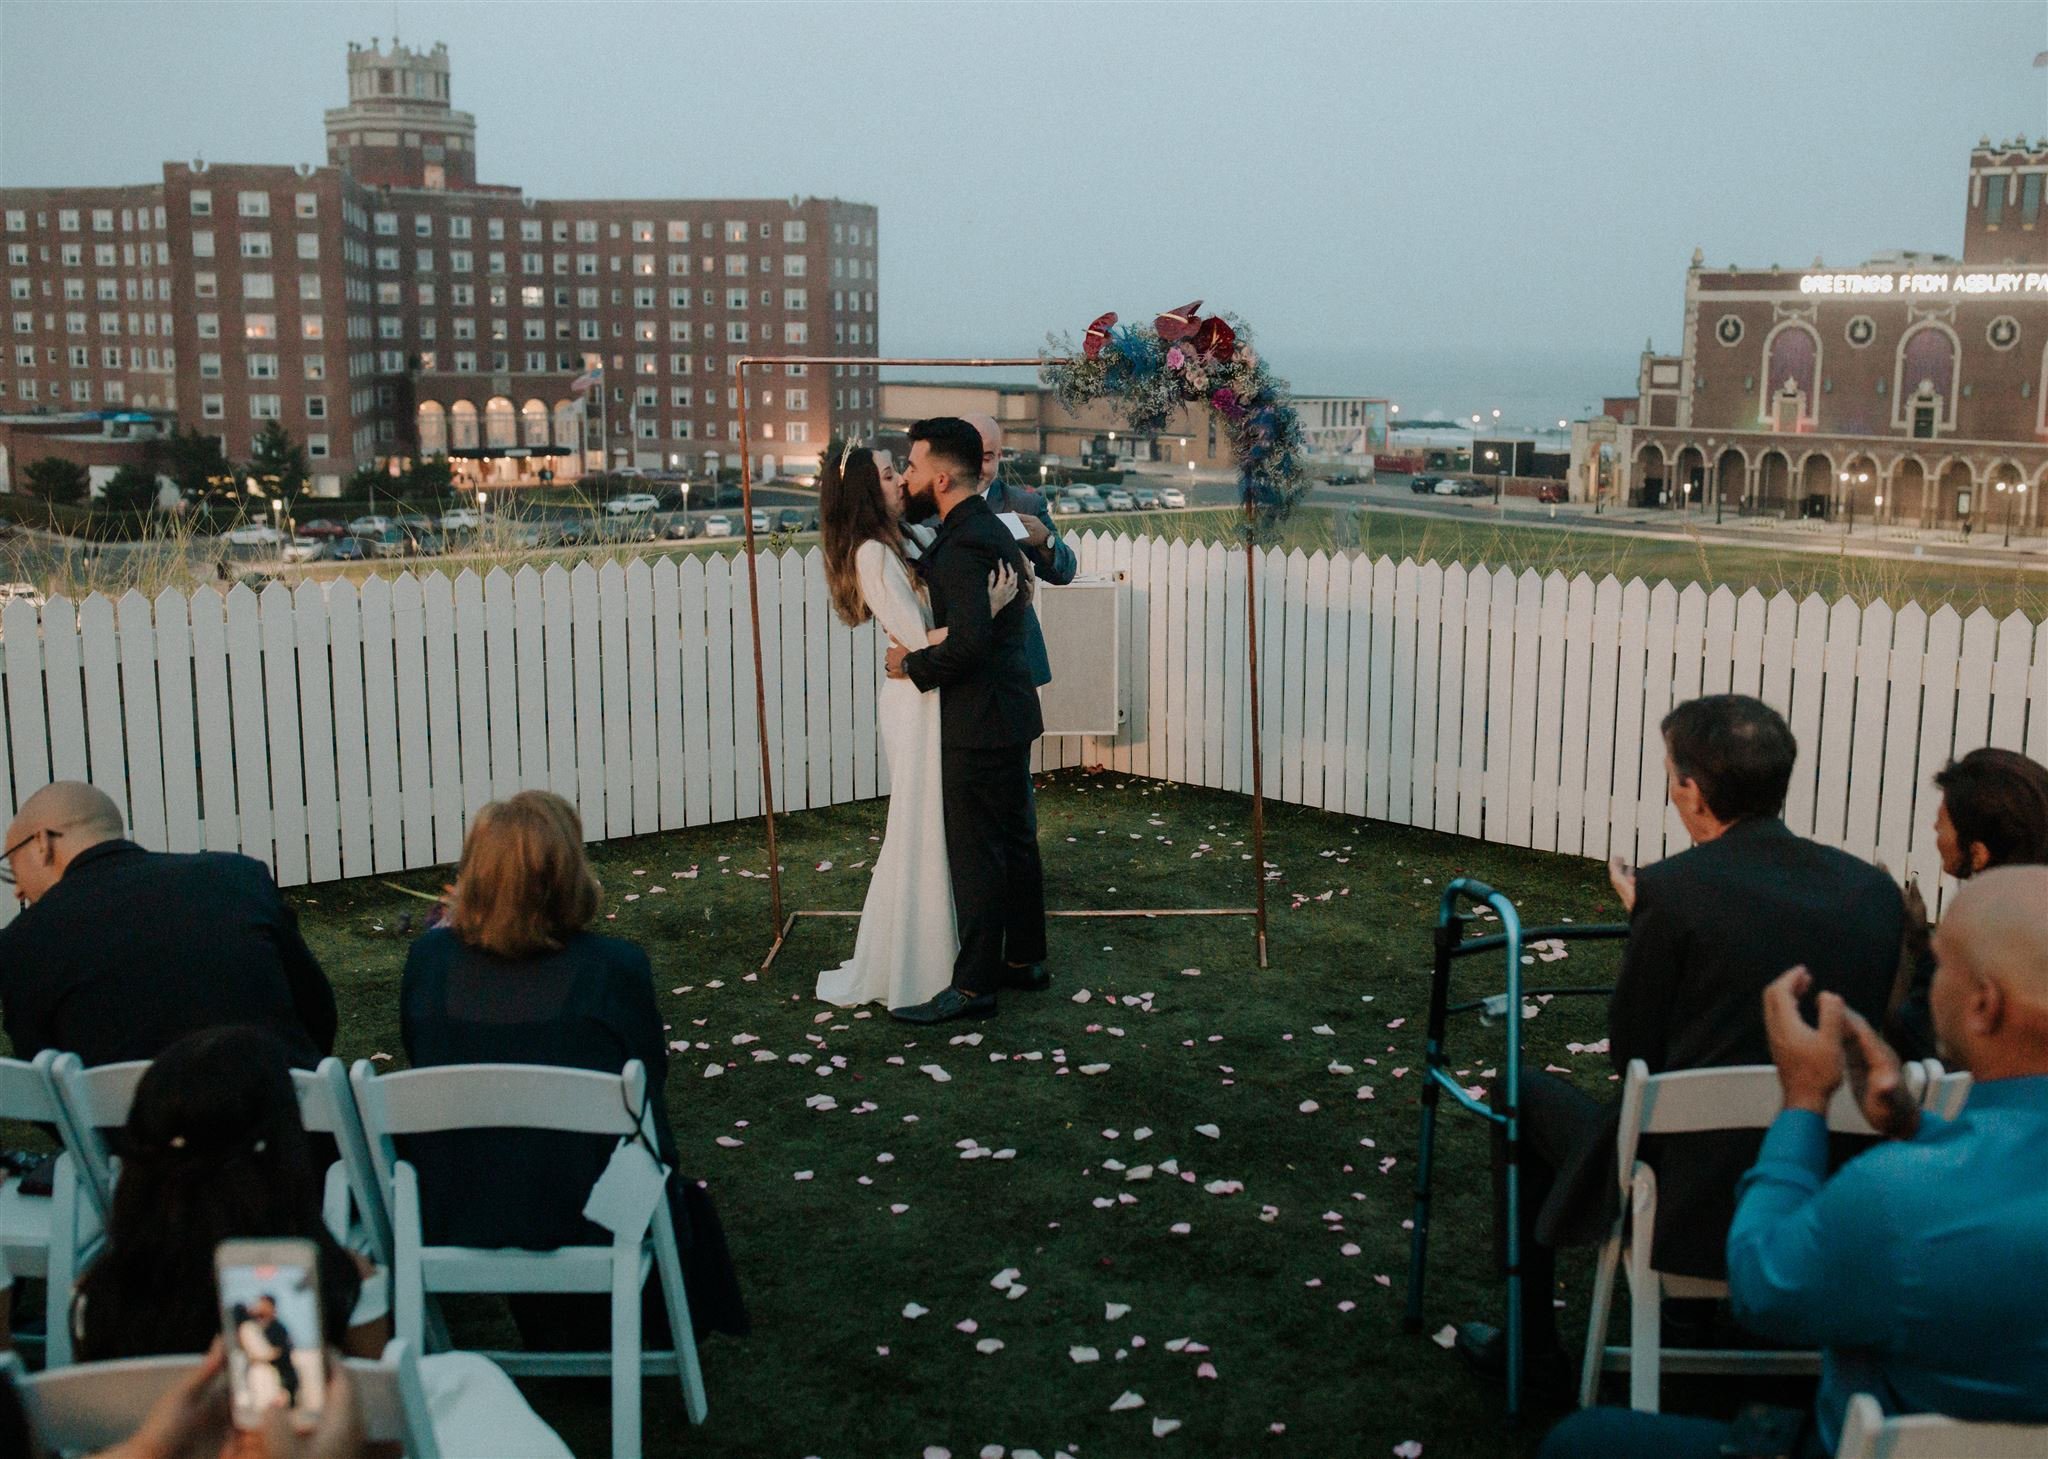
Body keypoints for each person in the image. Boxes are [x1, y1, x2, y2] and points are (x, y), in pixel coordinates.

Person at [1457, 695, 1903, 1387]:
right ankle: (1695, 1322)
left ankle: (1533, 1346)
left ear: (1692, 790)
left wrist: (1655, 921)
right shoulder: (1872, 891)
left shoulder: (1671, 890)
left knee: (1521, 1089)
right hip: (1827, 1181)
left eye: (1671, 773)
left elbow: (1634, 1053)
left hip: (1687, 1205)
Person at [1539, 866, 2048, 1458]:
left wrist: (1803, 1100)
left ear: (1984, 1005)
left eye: (1939, 964)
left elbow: (1760, 1283)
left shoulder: (1896, 1197)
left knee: (1581, 1443)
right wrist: (1912, 1125)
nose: (1930, 984)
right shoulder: (1927, 1173)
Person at [70, 1024, 566, 1458]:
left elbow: (104, 1442)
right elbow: (381, 1440)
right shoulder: (341, 1279)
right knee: (473, 1381)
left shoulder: (96, 1294)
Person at [400, 790, 749, 1349]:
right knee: (654, 1170)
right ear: (568, 871)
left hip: (456, 1205)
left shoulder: (428, 962)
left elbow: (425, 1058)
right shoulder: (613, 969)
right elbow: (647, 1092)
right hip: (591, 1213)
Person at [813, 439, 1018, 1010]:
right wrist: (988, 609)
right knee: (916, 824)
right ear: (865, 492)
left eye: (899, 470)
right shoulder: (872, 556)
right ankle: (914, 957)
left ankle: (943, 948)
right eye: (886, 475)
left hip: (930, 688)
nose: (900, 481)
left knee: (935, 826)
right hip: (913, 700)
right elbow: (913, 637)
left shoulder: (905, 540)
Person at [884, 417, 1049, 1024]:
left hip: (979, 719)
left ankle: (975, 985)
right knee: (1013, 842)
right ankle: (1025, 958)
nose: (909, 474)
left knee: (979, 854)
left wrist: (910, 662)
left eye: (915, 465)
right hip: (1009, 712)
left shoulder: (965, 544)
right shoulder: (982, 531)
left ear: (944, 476)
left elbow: (969, 646)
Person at [0, 781, 335, 1068]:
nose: (17, 888)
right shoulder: (236, 876)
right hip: (292, 1125)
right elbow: (317, 1010)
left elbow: (48, 1082)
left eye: (12, 865)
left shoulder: (22, 941)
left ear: (43, 842)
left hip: (133, 1139)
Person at [1889, 747, 2048, 1059]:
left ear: (1978, 854)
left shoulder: (1980, 937)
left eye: (1942, 823)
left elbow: (1919, 1036)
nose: (1935, 830)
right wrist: (1923, 945)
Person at [967, 412, 1077, 687]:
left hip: (1015, 659)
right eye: (971, 455)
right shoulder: (931, 508)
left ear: (1000, 456)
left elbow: (1065, 572)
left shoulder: (1025, 504)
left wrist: (1045, 540)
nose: (979, 467)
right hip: (957, 655)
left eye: (988, 457)